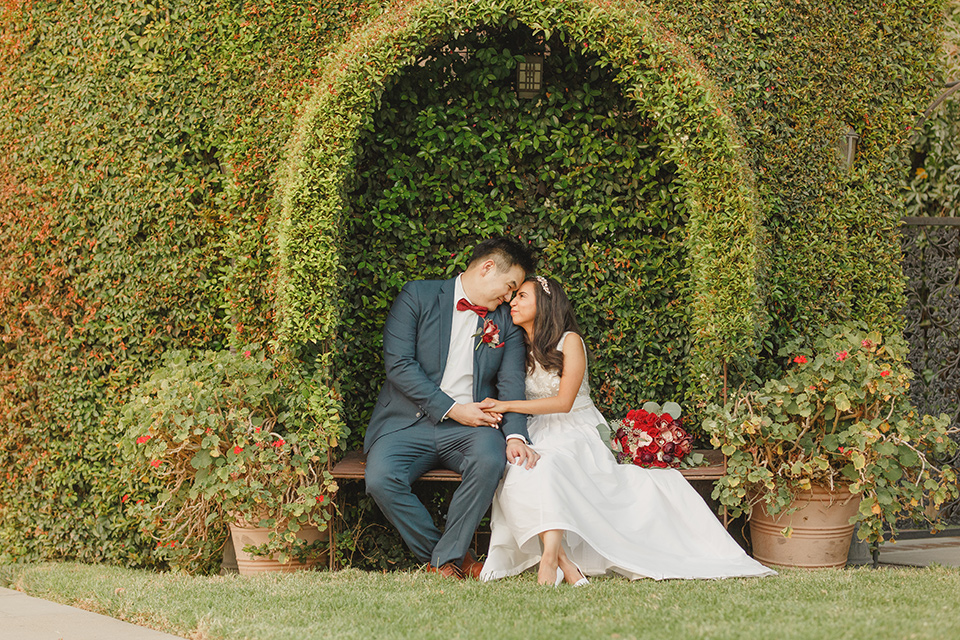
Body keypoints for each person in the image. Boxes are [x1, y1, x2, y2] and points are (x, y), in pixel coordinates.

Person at [477, 276, 776, 585]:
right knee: (525, 469)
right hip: (538, 429)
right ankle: (563, 562)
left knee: (549, 465)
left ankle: (550, 558)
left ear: (546, 304)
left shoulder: (570, 342)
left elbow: (564, 402)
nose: (513, 302)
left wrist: (505, 405)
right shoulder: (517, 349)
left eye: (522, 296)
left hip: (575, 428)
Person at [364, 237, 541, 579]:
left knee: (490, 461)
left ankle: (443, 561)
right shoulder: (417, 295)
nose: (508, 298)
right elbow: (399, 366)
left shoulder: (504, 322)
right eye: (508, 287)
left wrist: (516, 434)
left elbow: (510, 386)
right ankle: (453, 560)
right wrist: (452, 409)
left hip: (472, 429)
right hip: (406, 422)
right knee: (381, 479)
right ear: (488, 267)